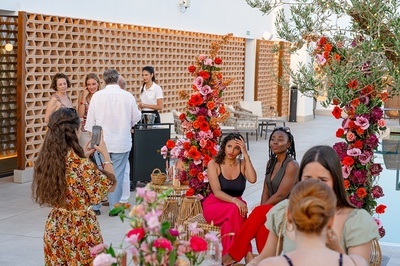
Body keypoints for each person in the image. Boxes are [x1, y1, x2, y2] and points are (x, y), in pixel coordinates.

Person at [248, 145, 379, 265]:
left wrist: (336, 248)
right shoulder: (284, 210)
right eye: (308, 179)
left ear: (336, 180)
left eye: (323, 180)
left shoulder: (356, 220)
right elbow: (265, 255)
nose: (314, 185)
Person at [32, 108, 116, 265]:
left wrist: (82, 156)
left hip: (55, 226)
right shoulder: (82, 165)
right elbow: (109, 186)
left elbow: (69, 175)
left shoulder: (47, 161)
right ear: (75, 131)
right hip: (81, 228)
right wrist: (105, 155)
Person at [222, 126, 298, 265]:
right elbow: (266, 189)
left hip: (288, 209)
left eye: (280, 140)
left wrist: (261, 209)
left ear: (288, 144)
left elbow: (281, 195)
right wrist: (263, 209)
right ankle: (267, 260)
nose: (275, 142)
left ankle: (233, 255)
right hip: (272, 208)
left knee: (258, 213)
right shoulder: (271, 162)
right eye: (273, 139)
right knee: (261, 223)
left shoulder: (292, 165)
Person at [258, 179, 367, 266]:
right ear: (331, 220)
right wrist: (338, 250)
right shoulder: (356, 262)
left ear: (289, 216)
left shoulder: (270, 264)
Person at [85, 68, 142, 215]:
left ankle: (96, 206)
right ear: (117, 79)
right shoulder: (128, 96)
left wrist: (93, 139)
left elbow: (90, 121)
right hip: (121, 141)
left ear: (104, 80)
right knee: (117, 174)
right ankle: (114, 207)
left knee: (99, 172)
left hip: (101, 142)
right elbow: (136, 117)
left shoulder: (97, 96)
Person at [202, 133, 257, 257]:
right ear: (224, 147)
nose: (232, 150)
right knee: (236, 209)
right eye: (229, 146)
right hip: (214, 206)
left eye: (237, 148)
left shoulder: (243, 164)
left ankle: (228, 259)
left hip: (234, 209)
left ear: (240, 150)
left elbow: (253, 179)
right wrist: (235, 201)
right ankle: (247, 254)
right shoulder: (214, 164)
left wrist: (246, 156)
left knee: (228, 225)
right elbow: (216, 192)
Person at [117, 74, 131, 203]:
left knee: (116, 169)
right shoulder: (128, 97)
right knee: (124, 169)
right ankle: (121, 198)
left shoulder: (103, 96)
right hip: (123, 139)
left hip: (109, 140)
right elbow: (136, 117)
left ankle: (118, 198)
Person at [77, 73, 101, 149]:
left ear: (98, 84)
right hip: (85, 130)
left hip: (98, 130)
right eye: (89, 84)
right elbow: (80, 114)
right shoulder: (82, 95)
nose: (91, 87)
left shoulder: (102, 95)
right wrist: (84, 97)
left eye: (94, 84)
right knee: (86, 155)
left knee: (97, 154)